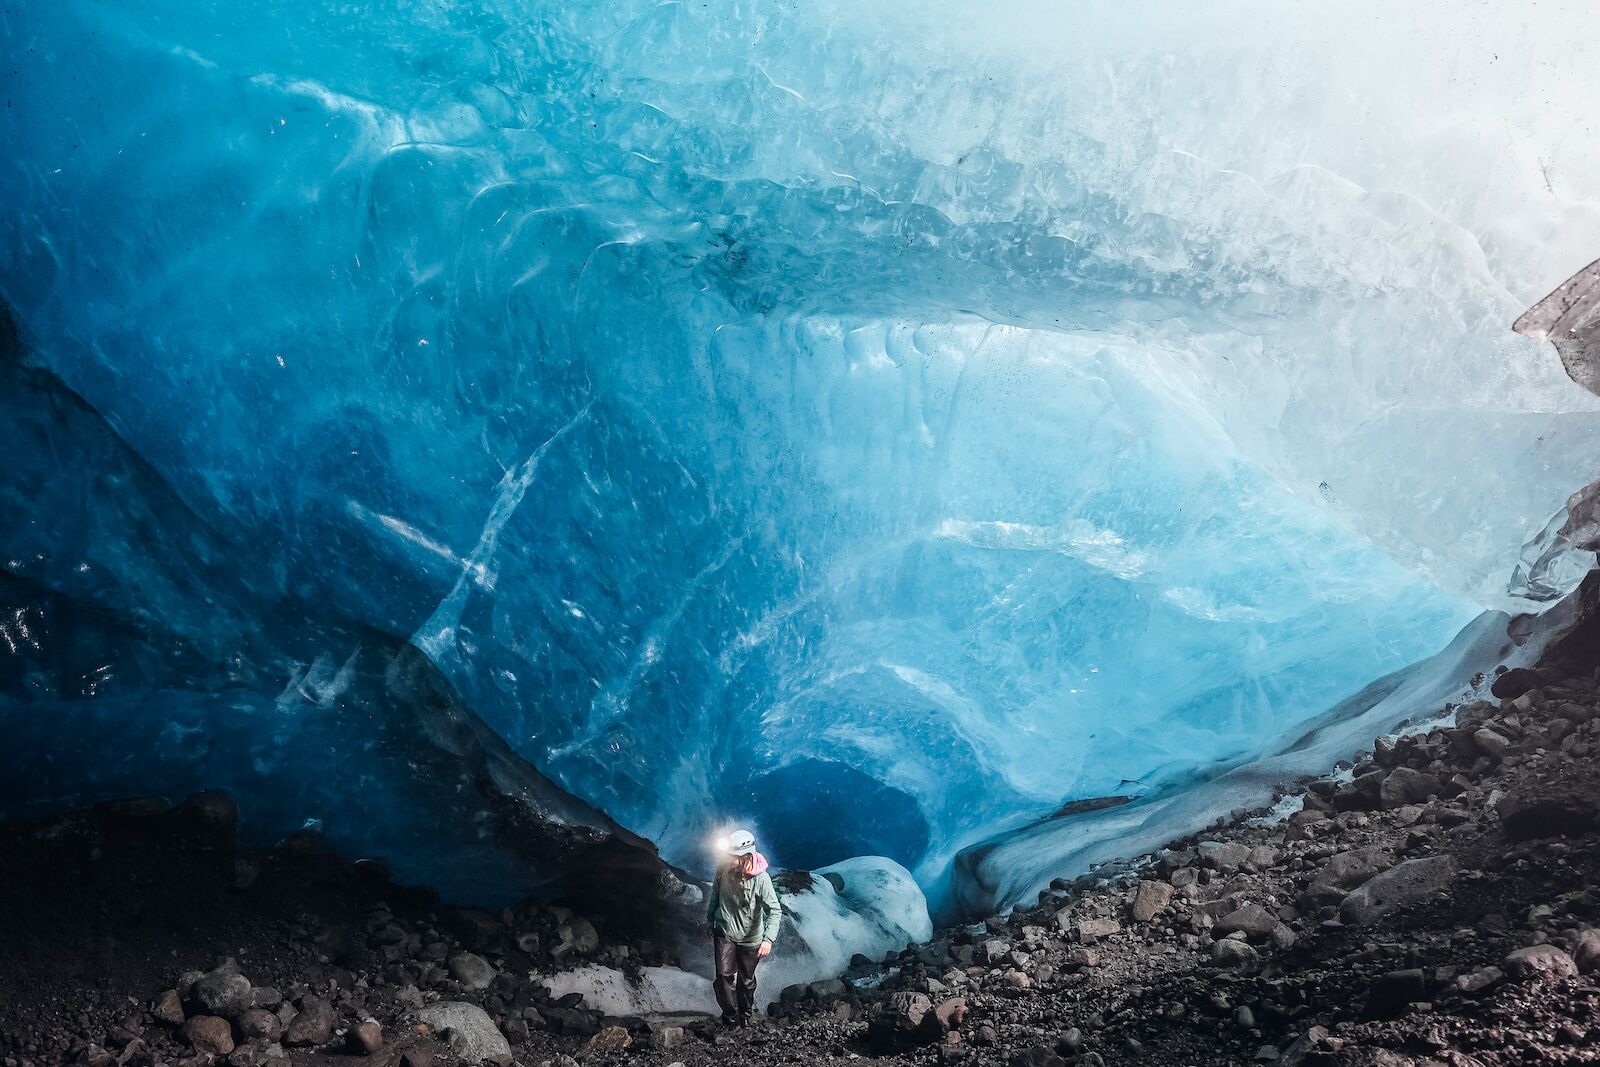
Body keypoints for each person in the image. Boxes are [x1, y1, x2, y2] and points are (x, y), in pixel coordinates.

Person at [706, 827, 781, 1026]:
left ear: (746, 856)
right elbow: (716, 894)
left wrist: (768, 940)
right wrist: (710, 919)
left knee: (746, 981)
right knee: (723, 977)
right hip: (725, 931)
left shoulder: (761, 879)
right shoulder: (723, 869)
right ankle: (730, 1019)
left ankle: (745, 1017)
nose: (727, 858)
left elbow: (775, 910)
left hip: (751, 939)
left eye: (731, 855)